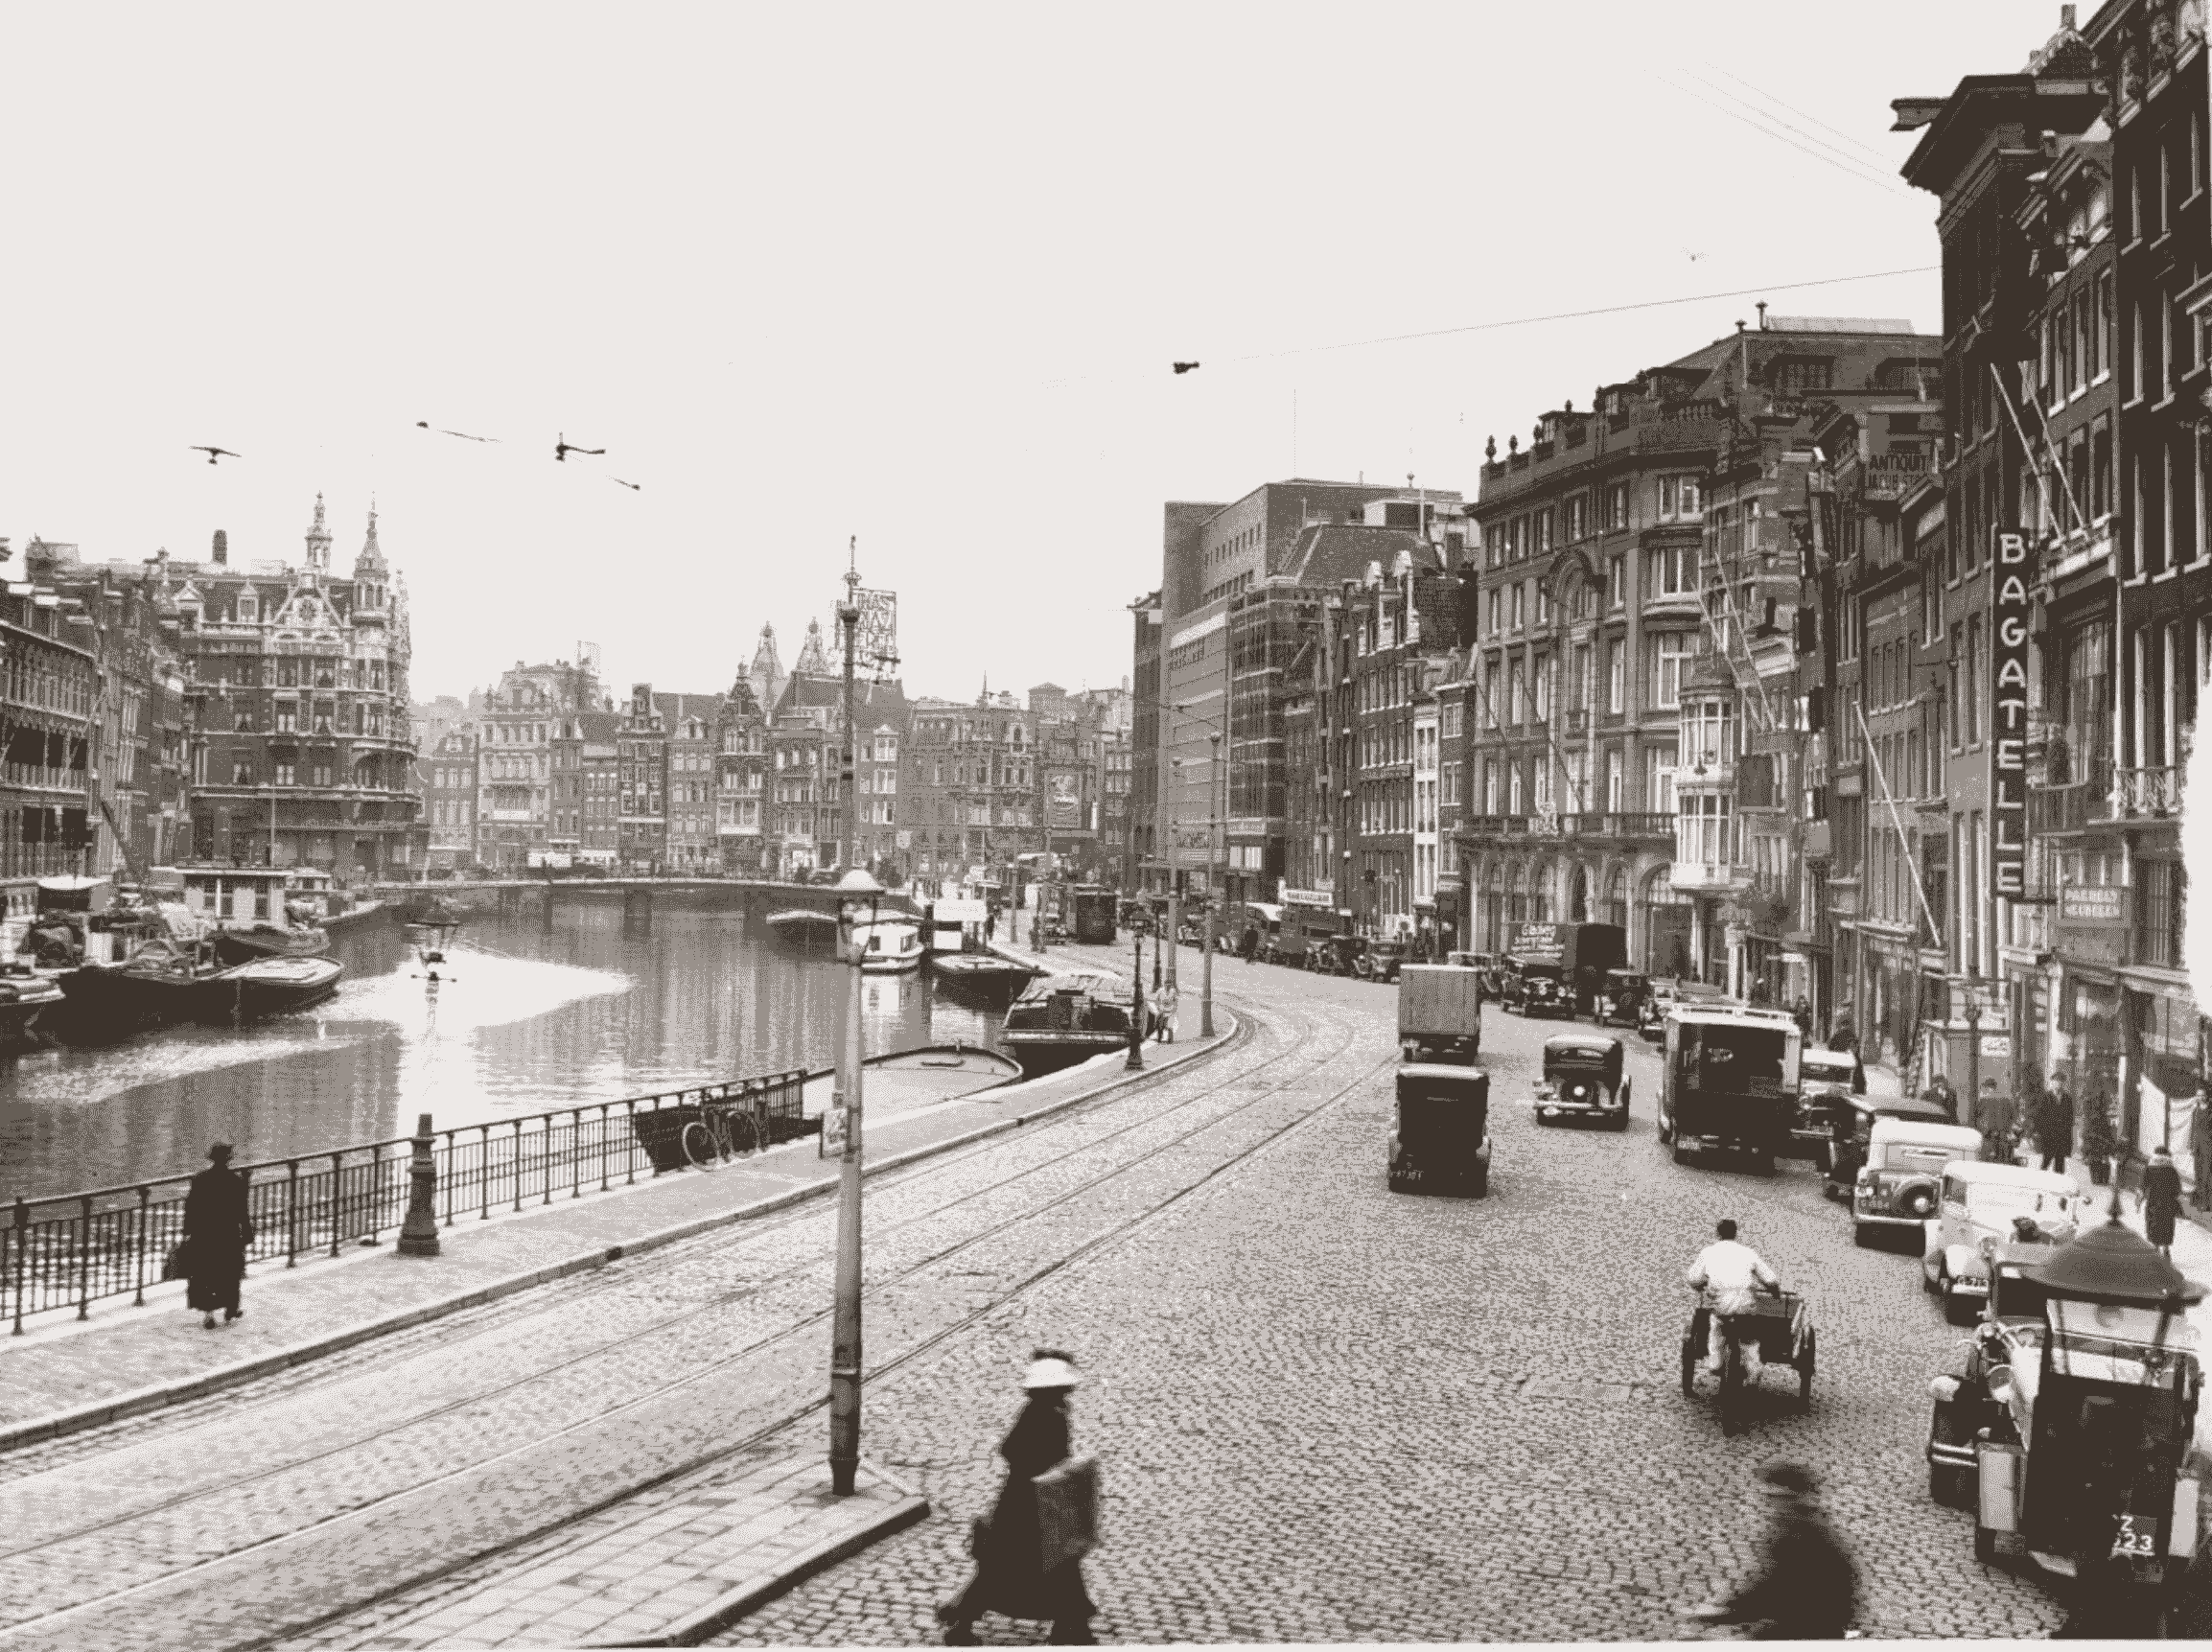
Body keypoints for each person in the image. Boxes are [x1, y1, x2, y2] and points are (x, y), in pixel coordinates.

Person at [939, 1351, 1098, 1646]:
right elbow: (1013, 1450)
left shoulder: (1047, 1409)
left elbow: (1012, 1450)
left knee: (1009, 1566)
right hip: (1029, 1506)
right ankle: (1070, 1625)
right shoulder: (1045, 1413)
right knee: (1045, 1564)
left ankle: (1070, 1624)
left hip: (1027, 1502)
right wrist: (1048, 1468)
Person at [1688, 1461, 1857, 1640]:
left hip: (1799, 1630)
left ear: (1787, 1497)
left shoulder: (1794, 1534)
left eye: (1772, 1496)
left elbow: (1771, 1588)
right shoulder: (1816, 1527)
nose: (1768, 1503)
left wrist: (1724, 1612)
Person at [1686, 1219, 1781, 1377]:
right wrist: (1775, 1292)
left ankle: (1715, 1361)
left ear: (1717, 1234)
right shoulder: (1749, 1253)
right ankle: (1753, 1368)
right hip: (1745, 1307)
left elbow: (1693, 1278)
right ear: (1736, 1233)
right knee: (1750, 1338)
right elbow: (1770, 1280)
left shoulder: (1708, 1252)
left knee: (1715, 1326)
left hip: (1720, 1306)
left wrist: (1701, 1286)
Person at [182, 1142, 254, 1330]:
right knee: (230, 1271)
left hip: (204, 1234)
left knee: (205, 1272)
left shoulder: (200, 1179)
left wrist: (187, 1230)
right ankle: (231, 1309)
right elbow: (241, 1210)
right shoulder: (235, 1181)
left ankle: (208, 1314)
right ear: (228, 1160)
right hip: (227, 1234)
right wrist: (247, 1231)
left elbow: (190, 1207)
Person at [2143, 1145, 2183, 1258]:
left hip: (2153, 1203)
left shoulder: (2149, 1169)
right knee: (2166, 1225)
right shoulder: (2171, 1170)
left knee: (2153, 1224)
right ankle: (2166, 1250)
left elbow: (2143, 1186)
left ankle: (2155, 1250)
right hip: (2168, 1204)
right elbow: (2177, 1190)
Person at [2035, 1081, 2075, 1175]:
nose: (2058, 1085)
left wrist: (2068, 1134)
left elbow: (2070, 1118)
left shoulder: (2067, 1098)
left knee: (2060, 1162)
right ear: (2052, 1084)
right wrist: (2041, 1132)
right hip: (2049, 1136)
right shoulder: (2046, 1097)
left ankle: (2059, 1184)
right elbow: (2039, 1116)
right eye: (2056, 1082)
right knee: (2046, 1161)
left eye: (2061, 1083)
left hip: (2062, 1136)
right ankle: (2040, 1181)